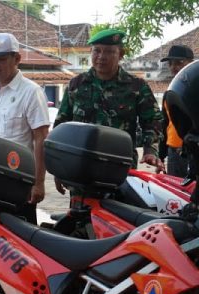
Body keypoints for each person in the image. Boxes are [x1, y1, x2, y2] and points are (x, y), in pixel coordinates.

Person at [54, 28, 164, 195]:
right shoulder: (77, 85)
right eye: (97, 51)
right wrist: (60, 166)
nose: (101, 57)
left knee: (118, 217)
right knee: (81, 217)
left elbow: (153, 121)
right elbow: (62, 127)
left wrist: (150, 150)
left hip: (120, 169)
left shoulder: (136, 87)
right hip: (82, 169)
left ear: (121, 54)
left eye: (109, 52)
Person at [0, 33, 50, 223]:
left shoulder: (31, 92)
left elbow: (41, 138)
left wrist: (39, 183)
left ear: (17, 59)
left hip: (18, 181)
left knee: (20, 242)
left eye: (0, 59)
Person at [159, 45, 194, 177]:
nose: (174, 67)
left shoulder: (195, 88)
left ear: (191, 63)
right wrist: (161, 156)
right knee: (176, 193)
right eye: (170, 63)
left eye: (179, 62)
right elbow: (166, 123)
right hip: (174, 150)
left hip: (194, 150)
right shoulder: (170, 91)